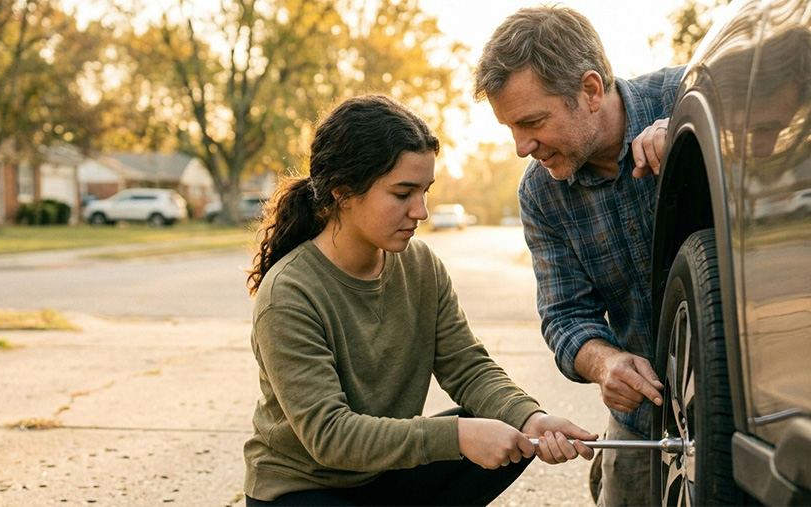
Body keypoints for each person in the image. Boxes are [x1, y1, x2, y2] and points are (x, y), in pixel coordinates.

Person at [242, 93, 596, 506]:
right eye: (402, 193)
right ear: (342, 192)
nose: (421, 211)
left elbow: (467, 367)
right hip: (303, 489)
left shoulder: (420, 265)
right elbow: (330, 435)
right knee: (469, 434)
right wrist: (458, 438)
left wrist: (531, 418)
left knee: (510, 434)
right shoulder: (289, 293)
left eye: (425, 191)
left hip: (383, 473)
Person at [471, 6, 687, 506]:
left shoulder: (694, 93)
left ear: (590, 90)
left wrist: (698, 134)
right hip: (643, 418)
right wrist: (606, 363)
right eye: (511, 129)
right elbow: (565, 316)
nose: (523, 147)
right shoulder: (541, 195)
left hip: (737, 393)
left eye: (533, 122)